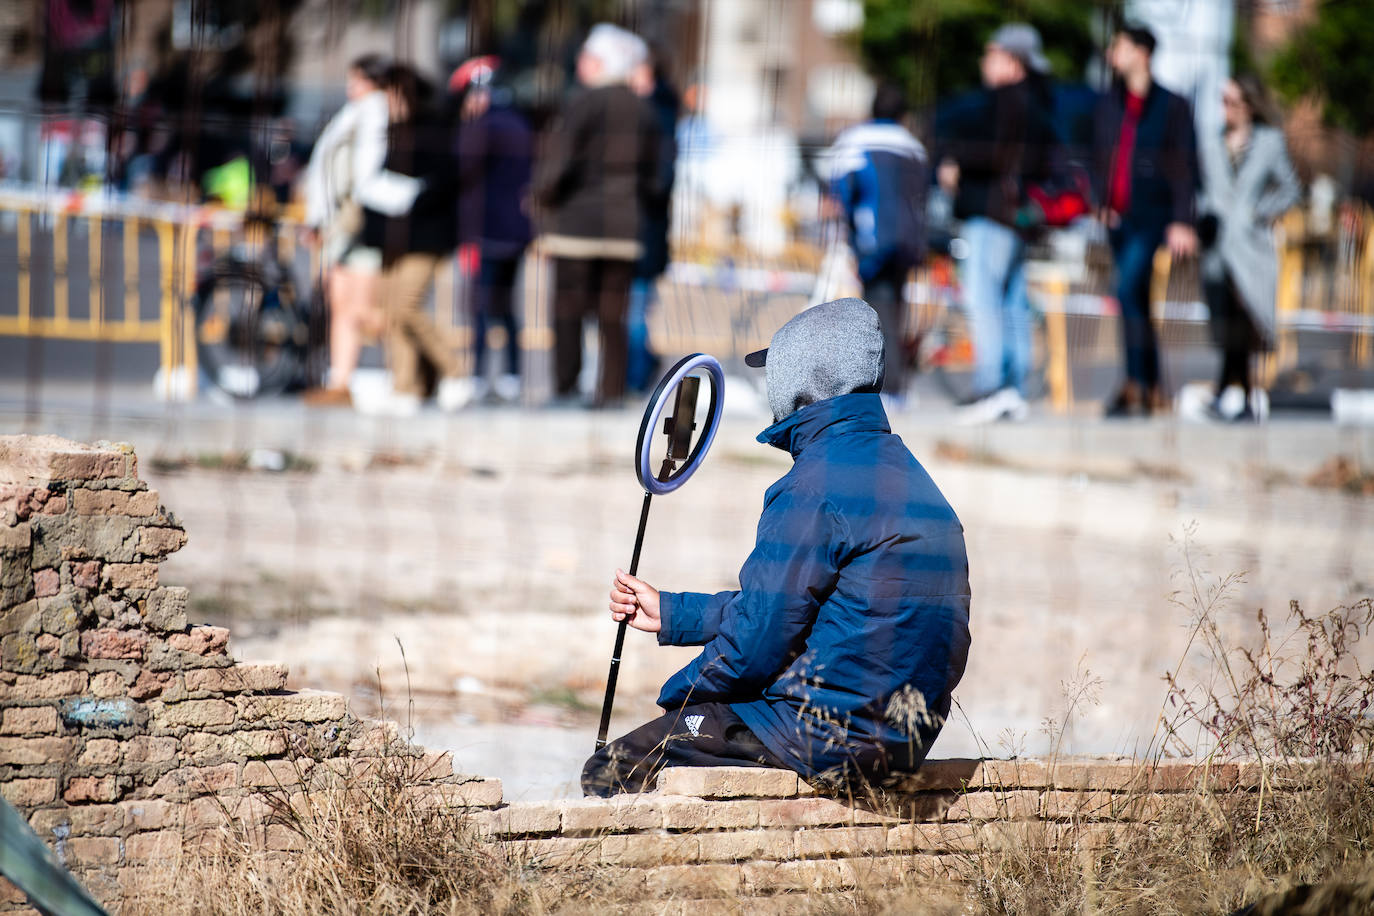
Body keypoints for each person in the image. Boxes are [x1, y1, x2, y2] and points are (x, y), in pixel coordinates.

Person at [583, 298, 972, 797]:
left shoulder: (813, 486)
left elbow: (756, 643)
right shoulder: (913, 479)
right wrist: (673, 614)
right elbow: (803, 608)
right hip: (904, 738)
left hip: (827, 736)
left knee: (611, 767)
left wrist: (679, 701)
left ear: (800, 383)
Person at [534, 24, 660, 408]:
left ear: (603, 63)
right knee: (613, 315)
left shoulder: (583, 103)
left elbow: (560, 162)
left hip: (577, 225)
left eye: (587, 58)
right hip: (625, 228)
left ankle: (566, 387)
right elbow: (657, 179)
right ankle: (611, 391)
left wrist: (542, 196)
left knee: (568, 310)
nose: (579, 64)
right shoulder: (645, 111)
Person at [937, 24, 1057, 424]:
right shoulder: (1040, 102)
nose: (984, 62)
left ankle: (991, 387)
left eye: (991, 54)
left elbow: (991, 152)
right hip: (1018, 218)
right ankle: (1015, 391)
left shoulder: (1003, 103)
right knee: (1012, 304)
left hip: (991, 214)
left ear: (1012, 60)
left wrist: (956, 162)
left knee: (984, 301)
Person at [1092, 24, 1200, 418]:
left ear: (1142, 53)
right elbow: (1099, 156)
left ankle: (1137, 383)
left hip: (1153, 216)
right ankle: (1148, 385)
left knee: (1125, 289)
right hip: (1117, 218)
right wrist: (1098, 199)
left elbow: (1185, 166)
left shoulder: (1172, 105)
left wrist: (1182, 220)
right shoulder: (1109, 103)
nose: (1111, 53)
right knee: (1134, 300)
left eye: (1119, 46)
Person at [355, 63, 466, 416]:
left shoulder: (434, 130)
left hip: (427, 235)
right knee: (390, 314)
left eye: (389, 93)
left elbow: (445, 182)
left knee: (406, 306)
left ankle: (456, 371)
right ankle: (407, 387)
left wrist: (409, 198)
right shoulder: (384, 131)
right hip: (390, 238)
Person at [1196, 75, 1300, 422]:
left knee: (1246, 317)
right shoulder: (1211, 142)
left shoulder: (1270, 142)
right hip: (1218, 248)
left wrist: (1258, 213)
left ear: (1249, 106)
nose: (1225, 109)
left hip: (1251, 248)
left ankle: (1233, 391)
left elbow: (1290, 189)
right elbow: (1201, 189)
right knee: (1226, 319)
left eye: (1232, 102)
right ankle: (1236, 393)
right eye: (1222, 101)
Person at [826, 82, 928, 403]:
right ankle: (894, 384)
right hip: (909, 238)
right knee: (896, 307)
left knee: (874, 312)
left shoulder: (855, 140)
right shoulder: (914, 147)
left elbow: (840, 189)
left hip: (873, 237)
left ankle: (884, 387)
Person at [300, 54, 390, 408]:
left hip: (361, 223)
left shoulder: (376, 113)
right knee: (341, 305)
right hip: (340, 223)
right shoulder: (352, 114)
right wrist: (318, 219)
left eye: (356, 80)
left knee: (366, 310)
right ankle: (341, 382)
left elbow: (363, 174)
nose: (350, 86)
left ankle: (418, 361)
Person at [450, 56, 535, 406]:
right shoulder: (520, 124)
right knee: (508, 305)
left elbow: (461, 170)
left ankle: (479, 374)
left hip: (483, 230)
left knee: (480, 306)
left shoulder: (480, 128)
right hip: (516, 230)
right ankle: (513, 373)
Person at [626, 46, 680, 394]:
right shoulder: (656, 113)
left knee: (634, 312)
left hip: (644, 232)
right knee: (634, 311)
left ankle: (635, 376)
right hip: (643, 231)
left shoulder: (656, 116)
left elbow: (659, 182)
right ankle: (638, 370)